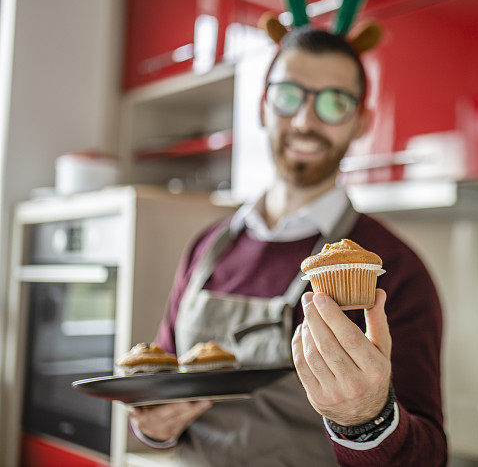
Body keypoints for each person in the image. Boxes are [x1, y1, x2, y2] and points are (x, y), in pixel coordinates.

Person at [127, 26, 447, 467]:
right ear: (263, 107)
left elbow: (428, 456)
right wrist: (153, 427)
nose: (304, 121)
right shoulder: (205, 247)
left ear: (361, 122)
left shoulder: (391, 268)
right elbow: (160, 383)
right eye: (288, 96)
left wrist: (369, 419)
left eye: (334, 102)